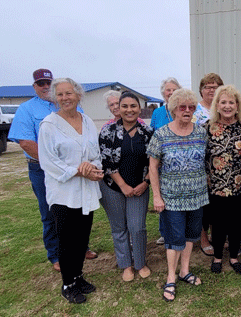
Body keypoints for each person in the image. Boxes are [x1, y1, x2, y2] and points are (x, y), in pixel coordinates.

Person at [8, 69, 96, 273]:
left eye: (48, 82)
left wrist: (84, 166)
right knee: (52, 213)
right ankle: (57, 254)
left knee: (79, 211)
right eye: (41, 83)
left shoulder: (80, 113)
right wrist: (60, 166)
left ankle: (81, 248)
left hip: (78, 170)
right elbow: (26, 142)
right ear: (34, 86)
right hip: (43, 168)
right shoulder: (27, 109)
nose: (45, 86)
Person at [38, 78, 103, 304]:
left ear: (78, 95)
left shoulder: (87, 121)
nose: (65, 98)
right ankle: (68, 284)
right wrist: (78, 170)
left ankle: (78, 276)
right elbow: (48, 161)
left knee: (82, 238)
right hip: (64, 194)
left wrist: (91, 166)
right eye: (60, 94)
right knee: (67, 240)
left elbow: (96, 153)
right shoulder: (49, 125)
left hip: (86, 190)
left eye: (69, 93)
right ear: (55, 98)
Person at [147, 88, 207, 302]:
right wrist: (157, 196)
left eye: (191, 107)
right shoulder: (161, 134)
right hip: (171, 198)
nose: (187, 110)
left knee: (191, 236)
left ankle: (185, 271)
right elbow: (153, 167)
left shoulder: (201, 132)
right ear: (173, 109)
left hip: (197, 196)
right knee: (174, 239)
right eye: (183, 107)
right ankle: (171, 277)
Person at [99, 91, 154, 282]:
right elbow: (107, 162)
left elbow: (154, 162)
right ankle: (126, 265)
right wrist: (122, 185)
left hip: (140, 186)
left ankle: (140, 263)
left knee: (137, 227)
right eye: (125, 106)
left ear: (139, 109)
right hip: (113, 187)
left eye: (133, 106)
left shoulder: (147, 132)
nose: (129, 110)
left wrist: (145, 183)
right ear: (118, 108)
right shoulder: (108, 131)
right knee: (119, 227)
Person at [205, 85, 241, 274]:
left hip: (240, 186)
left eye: (231, 102)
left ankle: (233, 256)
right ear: (216, 105)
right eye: (223, 102)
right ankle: (217, 257)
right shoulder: (207, 128)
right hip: (216, 187)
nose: (227, 106)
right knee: (218, 223)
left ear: (237, 105)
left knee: (237, 222)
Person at [192, 73, 224, 256]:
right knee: (202, 204)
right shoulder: (196, 111)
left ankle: (215, 235)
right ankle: (203, 238)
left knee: (217, 203)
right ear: (201, 90)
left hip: (220, 164)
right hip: (200, 163)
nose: (212, 90)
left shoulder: (223, 107)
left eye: (215, 86)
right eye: (208, 87)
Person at [150, 78, 181, 245]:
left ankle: (180, 230)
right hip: (162, 164)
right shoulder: (157, 113)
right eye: (168, 90)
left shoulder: (183, 110)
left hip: (181, 165)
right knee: (162, 199)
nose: (171, 93)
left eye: (174, 90)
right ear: (163, 93)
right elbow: (153, 135)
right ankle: (164, 232)